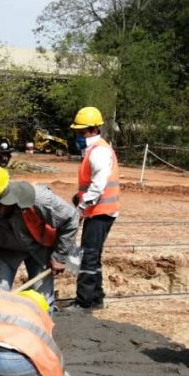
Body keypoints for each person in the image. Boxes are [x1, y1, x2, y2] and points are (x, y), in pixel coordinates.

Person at [0, 163, 78, 308]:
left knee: (41, 300)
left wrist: (60, 256)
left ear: (4, 199)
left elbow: (71, 217)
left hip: (39, 248)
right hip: (4, 251)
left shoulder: (39, 199)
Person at [67, 106, 120, 311]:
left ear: (92, 129)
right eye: (77, 133)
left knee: (88, 256)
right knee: (94, 255)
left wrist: (81, 206)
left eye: (81, 133)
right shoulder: (93, 150)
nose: (79, 136)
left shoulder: (98, 152)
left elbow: (98, 185)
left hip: (100, 212)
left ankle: (85, 302)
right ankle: (96, 298)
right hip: (98, 210)